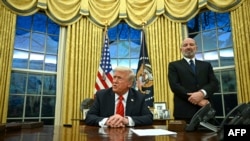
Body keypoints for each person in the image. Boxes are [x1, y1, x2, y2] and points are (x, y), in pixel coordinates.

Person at [168, 37, 219, 124]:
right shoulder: (174, 65)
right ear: (181, 49)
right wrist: (198, 100)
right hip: (184, 113)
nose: (188, 47)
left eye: (191, 44)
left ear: (196, 48)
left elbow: (214, 84)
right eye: (185, 45)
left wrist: (202, 93)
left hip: (206, 111)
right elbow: (175, 86)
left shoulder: (206, 65)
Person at [85, 66, 153, 127]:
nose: (114, 81)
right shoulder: (102, 95)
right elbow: (89, 117)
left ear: (129, 84)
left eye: (119, 78)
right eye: (114, 77)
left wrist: (126, 120)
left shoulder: (138, 97)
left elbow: (149, 118)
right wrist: (107, 121)